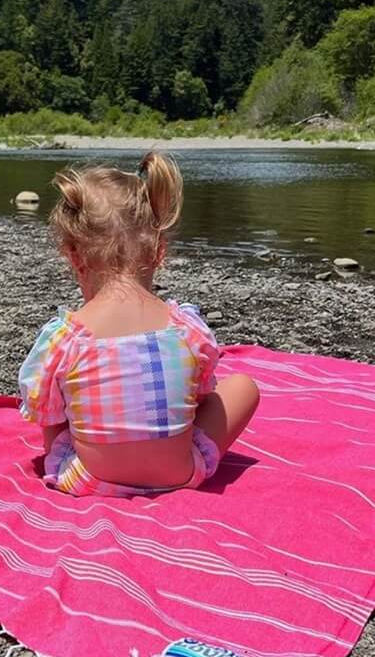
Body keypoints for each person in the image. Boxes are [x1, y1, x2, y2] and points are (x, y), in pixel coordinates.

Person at [18, 151, 260, 497]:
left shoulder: (65, 339)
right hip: (181, 473)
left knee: (61, 406)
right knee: (243, 386)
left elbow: (47, 418)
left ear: (73, 255)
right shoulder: (186, 328)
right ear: (159, 252)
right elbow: (202, 397)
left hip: (85, 478)